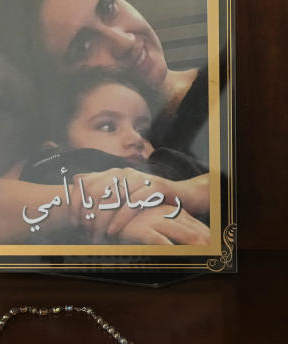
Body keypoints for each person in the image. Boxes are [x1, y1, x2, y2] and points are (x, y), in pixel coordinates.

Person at [0, 0, 212, 244]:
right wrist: (106, 204)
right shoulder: (72, 144)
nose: (125, 42)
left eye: (108, 7)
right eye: (84, 47)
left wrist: (177, 192)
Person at [14, 70, 211, 245]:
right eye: (108, 126)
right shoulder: (56, 165)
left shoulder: (166, 161)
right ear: (56, 147)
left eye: (143, 131)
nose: (135, 139)